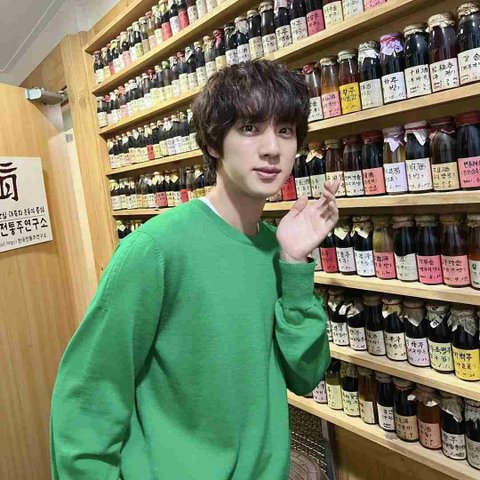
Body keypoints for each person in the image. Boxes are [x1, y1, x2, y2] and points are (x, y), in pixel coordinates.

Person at [50, 60, 338, 480]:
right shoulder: (155, 249)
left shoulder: (277, 248)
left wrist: (294, 263)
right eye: (250, 128)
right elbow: (88, 400)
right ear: (214, 143)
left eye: (285, 130)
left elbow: (306, 374)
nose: (272, 149)